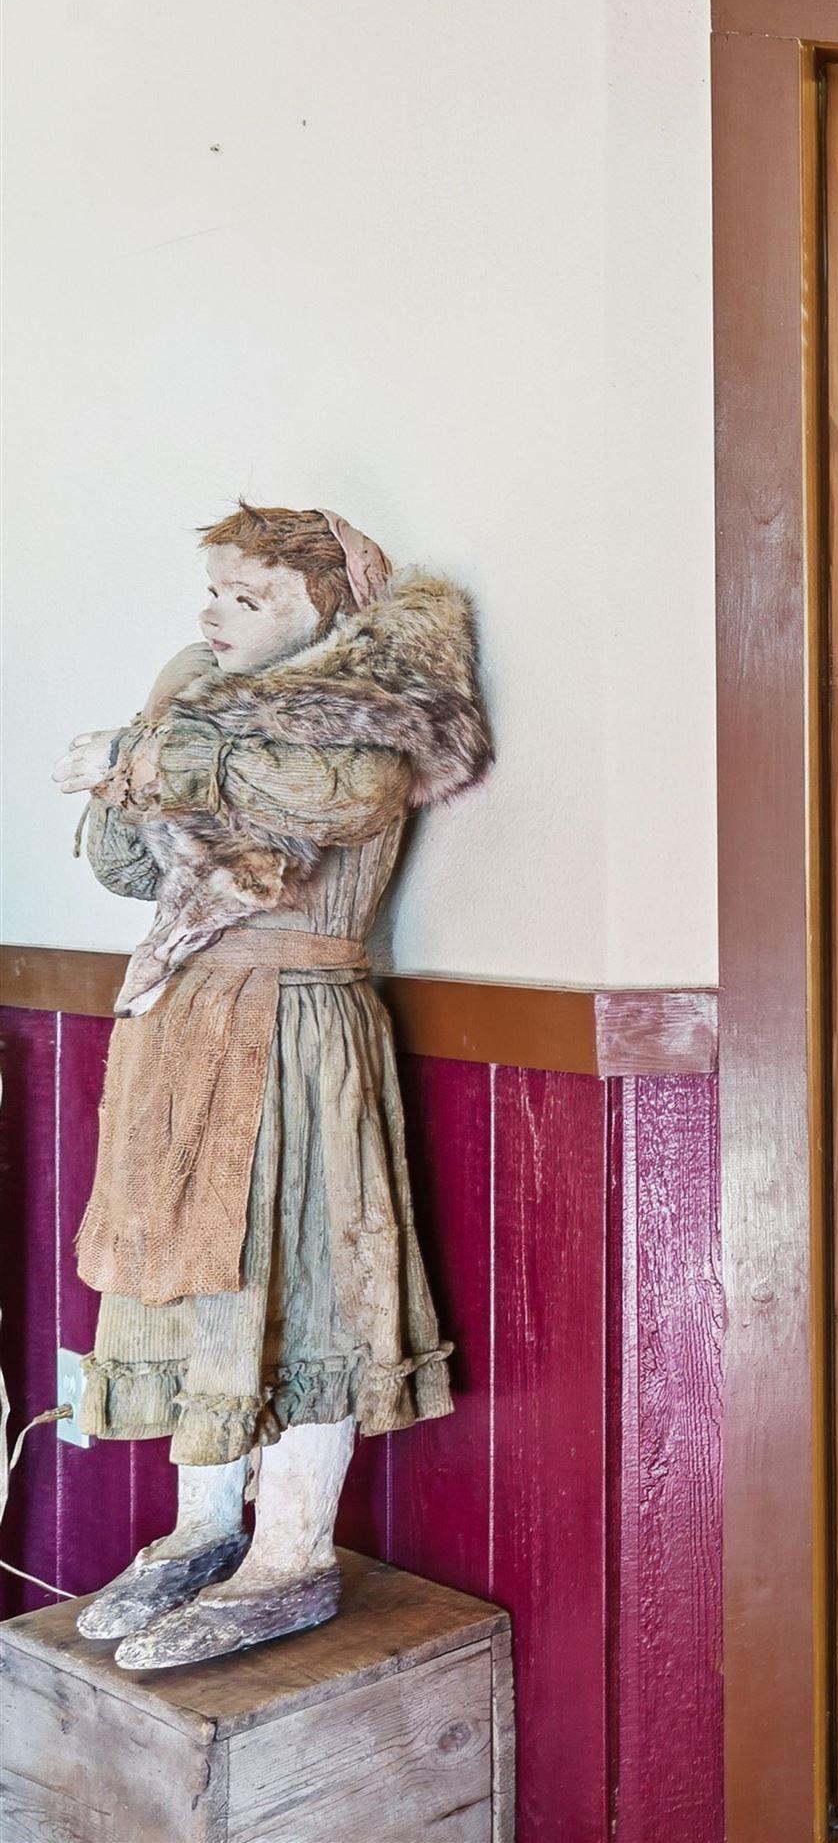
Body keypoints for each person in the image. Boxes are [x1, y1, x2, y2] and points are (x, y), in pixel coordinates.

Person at [48, 504, 489, 1667]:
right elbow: (125, 865)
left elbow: (328, 802)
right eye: (216, 595)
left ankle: (289, 1550)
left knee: (294, 1270)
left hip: (294, 1022)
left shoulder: (362, 722)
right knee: (190, 1275)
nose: (215, 616)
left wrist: (154, 752)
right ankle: (204, 1525)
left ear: (326, 613)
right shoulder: (215, 717)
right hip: (184, 1020)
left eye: (250, 601)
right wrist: (152, 737)